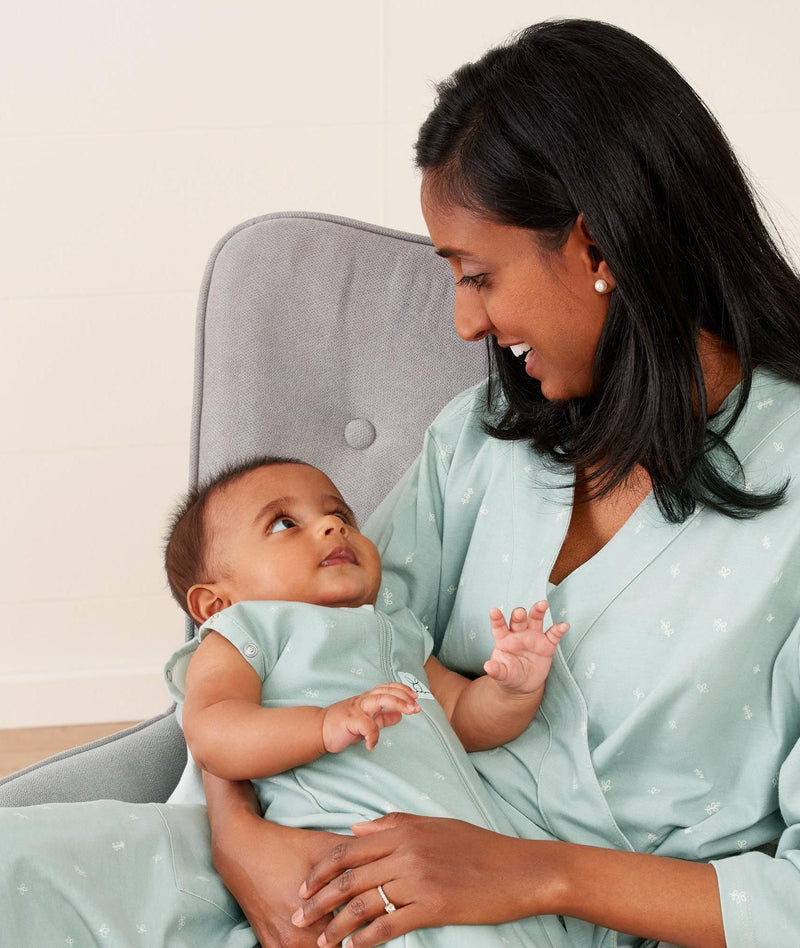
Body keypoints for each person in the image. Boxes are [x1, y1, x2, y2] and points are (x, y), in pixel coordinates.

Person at [204, 19, 800, 948]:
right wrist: (237, 837)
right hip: (349, 872)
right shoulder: (483, 439)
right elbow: (295, 642)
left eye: (478, 276)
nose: (464, 324)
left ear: (598, 250)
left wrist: (535, 874)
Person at [162, 454, 568, 946]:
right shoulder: (245, 630)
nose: (332, 526)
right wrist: (322, 725)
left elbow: (462, 717)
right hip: (348, 861)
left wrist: (510, 690)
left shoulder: (396, 631)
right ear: (216, 603)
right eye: (284, 523)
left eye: (341, 515)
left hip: (459, 862)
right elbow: (212, 732)